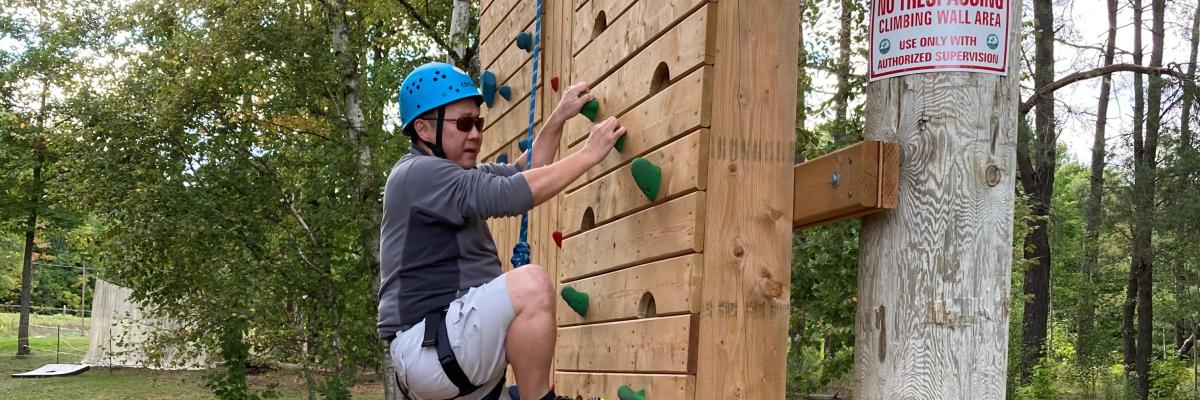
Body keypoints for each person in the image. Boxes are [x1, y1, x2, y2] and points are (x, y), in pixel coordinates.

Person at [377, 62, 626, 400]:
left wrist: (560, 116)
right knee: (531, 284)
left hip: (451, 352)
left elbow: (523, 171)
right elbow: (511, 195)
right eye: (463, 124)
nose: (476, 134)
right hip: (431, 347)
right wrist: (589, 155)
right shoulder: (418, 174)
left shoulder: (452, 177)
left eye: (478, 123)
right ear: (423, 129)